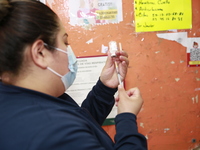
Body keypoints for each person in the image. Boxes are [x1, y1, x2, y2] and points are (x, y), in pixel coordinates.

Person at [0, 0, 147, 150]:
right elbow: (69, 132)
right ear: (40, 53)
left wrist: (105, 88)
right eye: (65, 42)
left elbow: (80, 126)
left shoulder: (23, 99)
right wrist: (126, 118)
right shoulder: (53, 131)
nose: (69, 50)